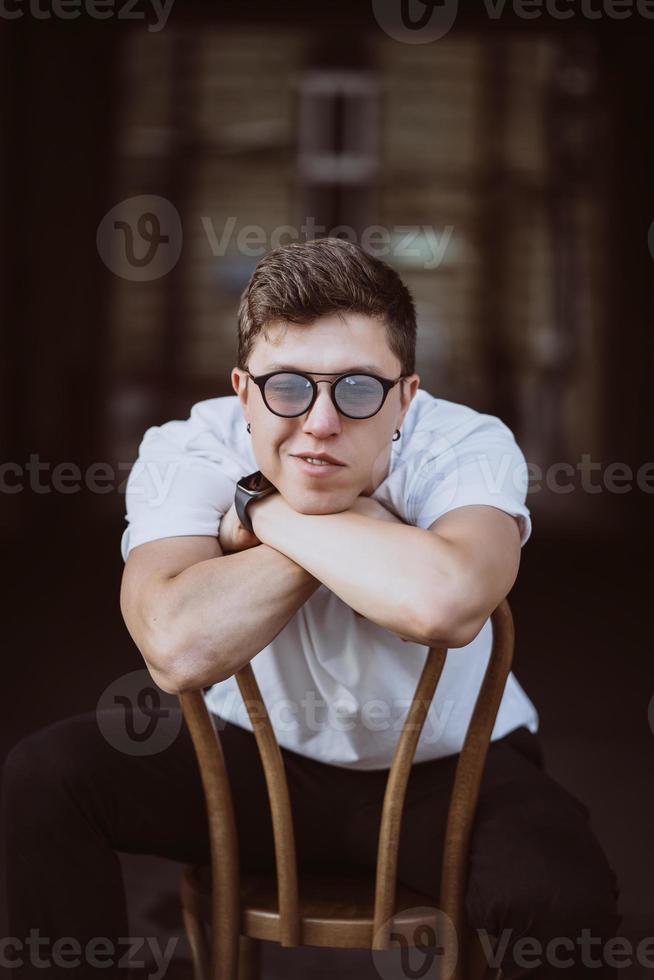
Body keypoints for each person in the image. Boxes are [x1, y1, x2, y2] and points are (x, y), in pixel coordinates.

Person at [2, 238, 620, 978]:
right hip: (251, 763)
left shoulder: (466, 444)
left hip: (450, 765)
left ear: (406, 397)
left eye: (358, 389)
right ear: (242, 391)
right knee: (45, 778)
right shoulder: (190, 447)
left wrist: (266, 513)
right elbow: (175, 644)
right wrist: (369, 530)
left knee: (561, 901)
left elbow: (444, 604)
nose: (320, 422)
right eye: (287, 388)